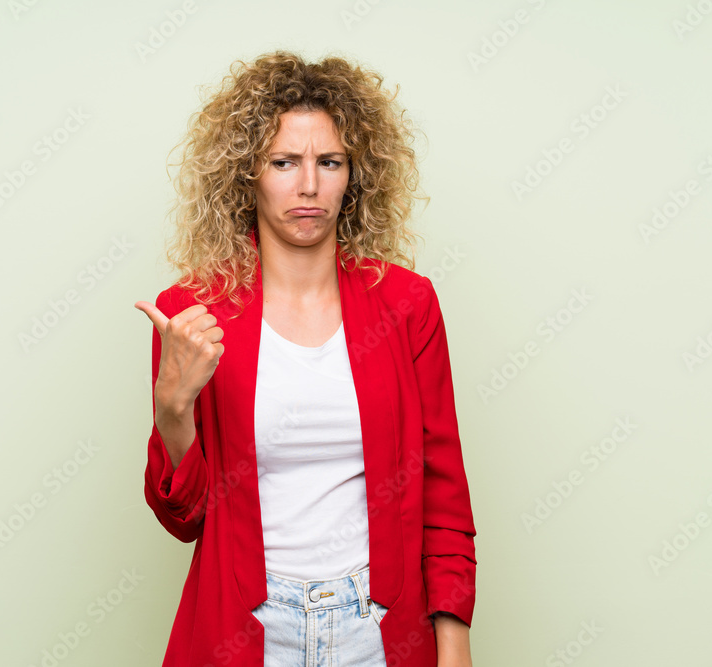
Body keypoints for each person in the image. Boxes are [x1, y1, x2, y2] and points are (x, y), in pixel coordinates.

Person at [135, 50, 477, 667]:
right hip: (247, 629)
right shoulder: (192, 315)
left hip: (378, 629)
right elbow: (184, 520)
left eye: (330, 162)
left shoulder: (407, 304)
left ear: (355, 175)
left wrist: (453, 647)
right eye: (284, 162)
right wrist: (173, 409)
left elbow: (444, 494)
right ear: (247, 173)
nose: (309, 186)